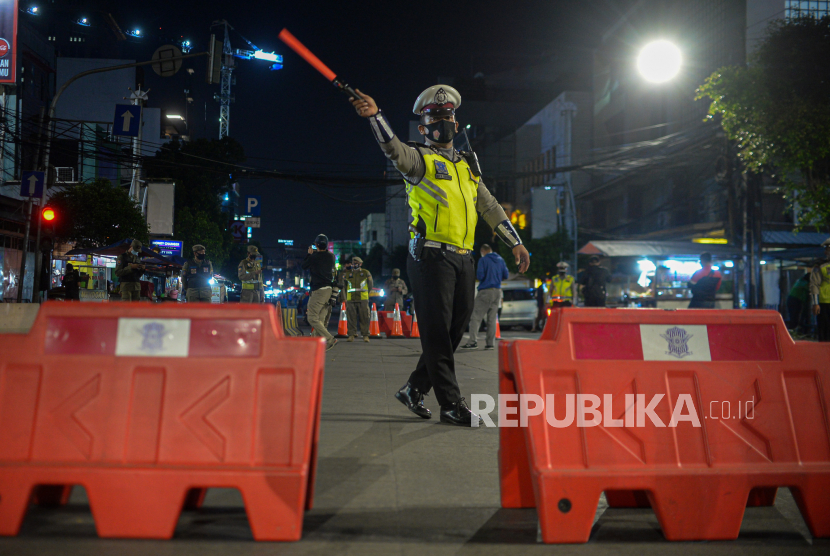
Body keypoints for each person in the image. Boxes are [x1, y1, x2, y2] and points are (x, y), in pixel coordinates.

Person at [351, 84, 530, 426]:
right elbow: (393, 150)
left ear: (457, 124)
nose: (443, 122)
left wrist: (515, 242)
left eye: (448, 117)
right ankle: (451, 403)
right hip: (430, 257)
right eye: (435, 118)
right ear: (423, 128)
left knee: (453, 333)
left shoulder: (467, 166)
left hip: (464, 257)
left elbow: (489, 205)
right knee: (436, 333)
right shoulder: (419, 159)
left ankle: (413, 389)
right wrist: (376, 117)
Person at [462, 244, 508, 350]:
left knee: (475, 317)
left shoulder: (483, 260)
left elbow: (480, 275)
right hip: (497, 291)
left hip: (485, 291)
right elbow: (505, 275)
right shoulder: (500, 260)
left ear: (483, 251)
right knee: (492, 319)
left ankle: (472, 341)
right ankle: (490, 343)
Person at [302, 234, 339, 350]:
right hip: (328, 290)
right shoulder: (331, 256)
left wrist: (309, 254)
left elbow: (304, 266)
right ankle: (315, 343)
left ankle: (329, 338)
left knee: (312, 318)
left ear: (316, 244)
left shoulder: (314, 256)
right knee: (320, 319)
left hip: (318, 290)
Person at [340, 256, 373, 342]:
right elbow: (343, 286)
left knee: (364, 317)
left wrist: (366, 293)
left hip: (363, 299)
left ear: (361, 264)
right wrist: (344, 298)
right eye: (354, 263)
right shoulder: (347, 274)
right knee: (351, 317)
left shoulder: (366, 273)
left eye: (357, 263)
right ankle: (351, 335)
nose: (355, 264)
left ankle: (365, 335)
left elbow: (370, 285)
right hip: (351, 299)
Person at [810, 238, 830, 342]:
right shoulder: (820, 266)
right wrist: (815, 303)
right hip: (824, 303)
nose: (826, 251)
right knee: (824, 332)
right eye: (827, 249)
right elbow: (814, 285)